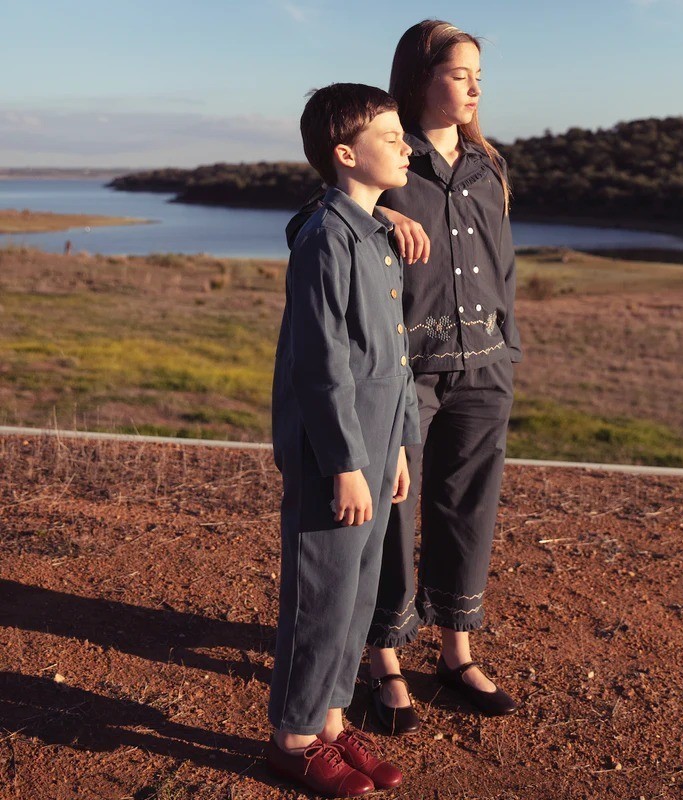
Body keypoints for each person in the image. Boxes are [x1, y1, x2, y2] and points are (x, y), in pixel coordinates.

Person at [287, 20, 522, 735]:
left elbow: (504, 264)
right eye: (459, 74)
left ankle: (456, 651)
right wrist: (380, 212)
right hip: (407, 374)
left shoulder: (487, 167)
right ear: (422, 78)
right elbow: (311, 225)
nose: (474, 87)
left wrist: (508, 345)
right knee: (393, 513)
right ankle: (384, 655)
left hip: (484, 364)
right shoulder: (386, 153)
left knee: (468, 509)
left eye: (479, 74)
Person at [265, 83, 420, 797]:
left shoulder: (376, 234)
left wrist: (398, 445)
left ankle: (330, 721)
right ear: (345, 154)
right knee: (322, 594)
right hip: (335, 453)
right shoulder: (326, 237)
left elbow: (393, 355)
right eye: (390, 137)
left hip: (375, 443)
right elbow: (320, 363)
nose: (406, 147)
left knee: (357, 594)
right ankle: (294, 740)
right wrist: (345, 464)